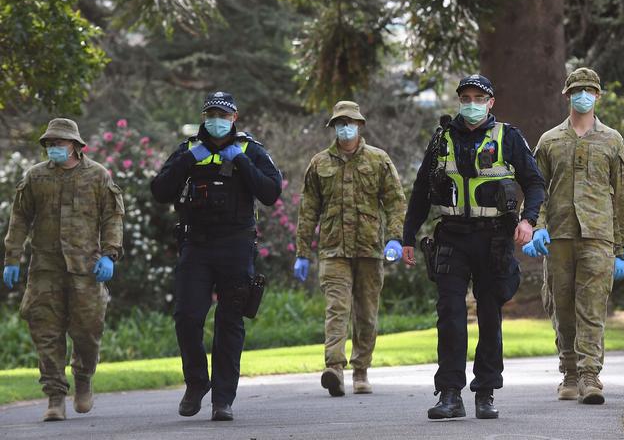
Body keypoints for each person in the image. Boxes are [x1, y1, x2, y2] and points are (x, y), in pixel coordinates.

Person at [402, 74, 545, 420]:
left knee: (489, 315)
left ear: (490, 102)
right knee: (449, 314)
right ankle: (450, 394)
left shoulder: (508, 137)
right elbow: (421, 190)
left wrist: (529, 220)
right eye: (465, 96)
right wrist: (407, 236)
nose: (471, 103)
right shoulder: (442, 140)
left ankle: (485, 392)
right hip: (451, 236)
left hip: (494, 237)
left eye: (478, 97)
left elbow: (534, 182)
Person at [150, 91, 282, 421]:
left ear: (234, 118)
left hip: (236, 246)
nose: (217, 120)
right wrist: (188, 159)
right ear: (203, 116)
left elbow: (271, 192)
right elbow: (159, 190)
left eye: (223, 115)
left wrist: (240, 160)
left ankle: (223, 399)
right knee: (187, 316)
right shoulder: (189, 149)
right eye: (212, 114)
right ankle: (197, 382)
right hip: (196, 246)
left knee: (230, 321)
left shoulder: (251, 149)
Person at [522, 67, 624, 405]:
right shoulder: (549, 141)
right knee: (561, 306)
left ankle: (591, 376)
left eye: (589, 90)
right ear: (567, 95)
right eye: (577, 89)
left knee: (592, 308)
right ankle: (570, 374)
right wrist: (536, 224)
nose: (583, 95)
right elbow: (536, 188)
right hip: (558, 236)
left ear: (598, 96)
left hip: (598, 235)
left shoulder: (612, 140)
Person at [2, 118, 124, 421]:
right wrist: (11, 258)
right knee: (46, 332)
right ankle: (55, 397)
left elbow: (112, 217)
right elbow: (19, 220)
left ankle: (83, 378)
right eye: (50, 143)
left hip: (86, 268)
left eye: (59, 142)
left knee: (87, 331)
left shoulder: (97, 176)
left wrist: (109, 254)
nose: (54, 147)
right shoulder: (35, 178)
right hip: (45, 268)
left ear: (75, 145)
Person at [293, 100, 406, 397]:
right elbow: (308, 210)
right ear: (333, 127)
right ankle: (334, 368)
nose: (345, 128)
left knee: (367, 313)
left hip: (369, 248)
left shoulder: (379, 161)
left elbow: (395, 201)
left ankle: (361, 370)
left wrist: (395, 237)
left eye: (350, 122)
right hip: (333, 250)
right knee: (337, 309)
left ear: (359, 125)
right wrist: (302, 252)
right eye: (339, 123)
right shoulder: (319, 164)